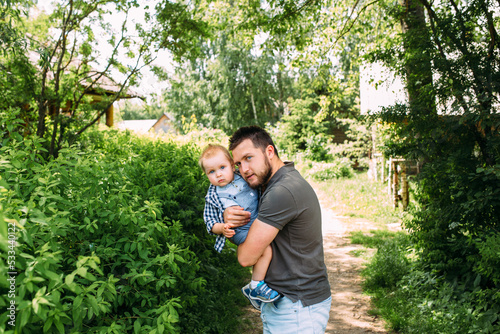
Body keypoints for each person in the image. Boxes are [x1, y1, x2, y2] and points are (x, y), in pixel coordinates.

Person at [223, 126, 331, 333]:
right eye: (238, 164)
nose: (244, 169)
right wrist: (227, 218)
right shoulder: (273, 183)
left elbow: (246, 257)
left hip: (296, 307)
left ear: (269, 152)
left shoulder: (281, 192)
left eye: (248, 158)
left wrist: (229, 227)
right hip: (289, 302)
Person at [199, 144, 280, 309]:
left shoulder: (242, 176)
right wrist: (222, 228)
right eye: (211, 172)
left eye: (222, 167)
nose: (219, 174)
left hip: (257, 220)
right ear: (206, 174)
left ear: (231, 164)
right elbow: (209, 221)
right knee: (266, 249)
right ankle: (255, 286)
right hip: (240, 230)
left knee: (271, 243)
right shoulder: (213, 195)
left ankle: (267, 279)